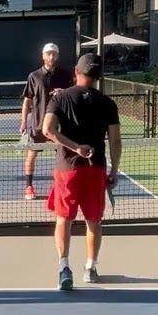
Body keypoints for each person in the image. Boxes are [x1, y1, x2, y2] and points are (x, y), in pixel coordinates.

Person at [41, 52, 122, 291]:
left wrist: (75, 147)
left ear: (77, 71)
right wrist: (114, 171)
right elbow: (115, 140)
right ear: (98, 76)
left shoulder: (60, 98)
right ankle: (90, 267)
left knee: (63, 219)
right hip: (96, 169)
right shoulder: (108, 104)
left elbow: (47, 130)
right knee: (93, 221)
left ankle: (64, 267)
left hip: (67, 170)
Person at [19, 43, 71, 200]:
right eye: (48, 54)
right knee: (31, 155)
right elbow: (27, 101)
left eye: (54, 54)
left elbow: (72, 96)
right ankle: (29, 186)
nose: (51, 56)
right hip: (38, 125)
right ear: (43, 56)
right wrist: (23, 122)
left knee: (63, 156)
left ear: (58, 56)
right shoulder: (34, 76)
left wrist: (64, 92)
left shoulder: (65, 75)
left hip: (59, 125)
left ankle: (61, 186)